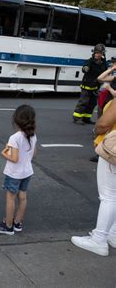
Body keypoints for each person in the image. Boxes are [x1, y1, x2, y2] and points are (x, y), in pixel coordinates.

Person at [71, 100, 116, 256]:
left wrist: (95, 131)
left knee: (108, 196)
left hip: (113, 151)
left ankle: (99, 240)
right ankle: (113, 234)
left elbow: (104, 123)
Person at [0, 105, 37, 235]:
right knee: (22, 197)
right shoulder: (33, 136)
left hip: (14, 173)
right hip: (27, 172)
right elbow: (33, 155)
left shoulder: (15, 138)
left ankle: (8, 226)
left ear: (16, 120)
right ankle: (17, 222)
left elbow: (14, 158)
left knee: (10, 198)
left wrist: (4, 152)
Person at [73, 44, 107, 125]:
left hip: (96, 86)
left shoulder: (103, 63)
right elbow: (85, 68)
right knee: (83, 102)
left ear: (102, 54)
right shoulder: (89, 61)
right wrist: (85, 68)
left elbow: (105, 72)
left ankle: (86, 118)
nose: (97, 54)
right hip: (87, 85)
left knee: (92, 104)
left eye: (99, 53)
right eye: (96, 52)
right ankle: (77, 118)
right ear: (94, 53)